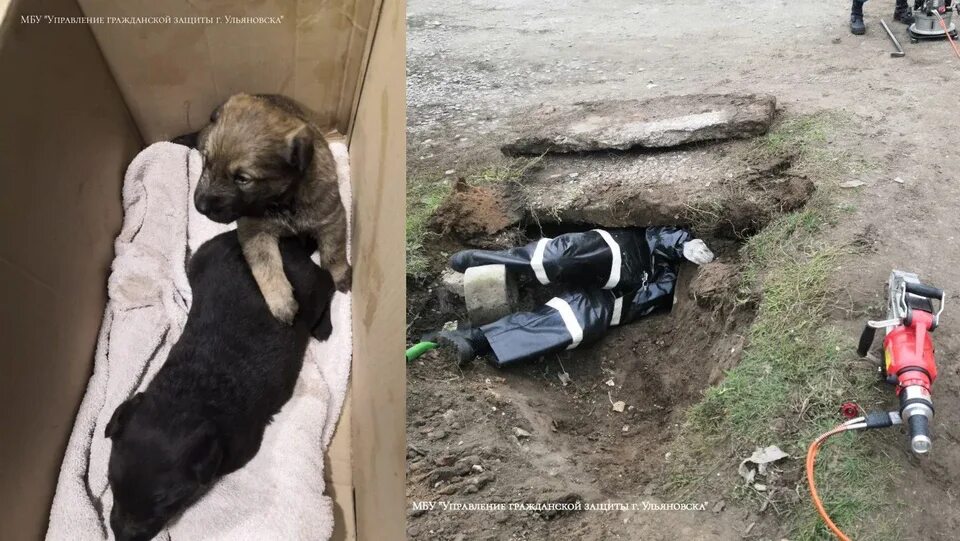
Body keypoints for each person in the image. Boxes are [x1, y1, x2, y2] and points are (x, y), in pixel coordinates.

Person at [430, 227, 714, 368]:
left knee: (580, 322)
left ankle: (475, 340)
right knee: (562, 256)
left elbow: (654, 301)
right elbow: (658, 235)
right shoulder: (677, 241)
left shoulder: (677, 290)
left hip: (627, 299)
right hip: (630, 251)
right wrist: (683, 243)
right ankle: (487, 260)